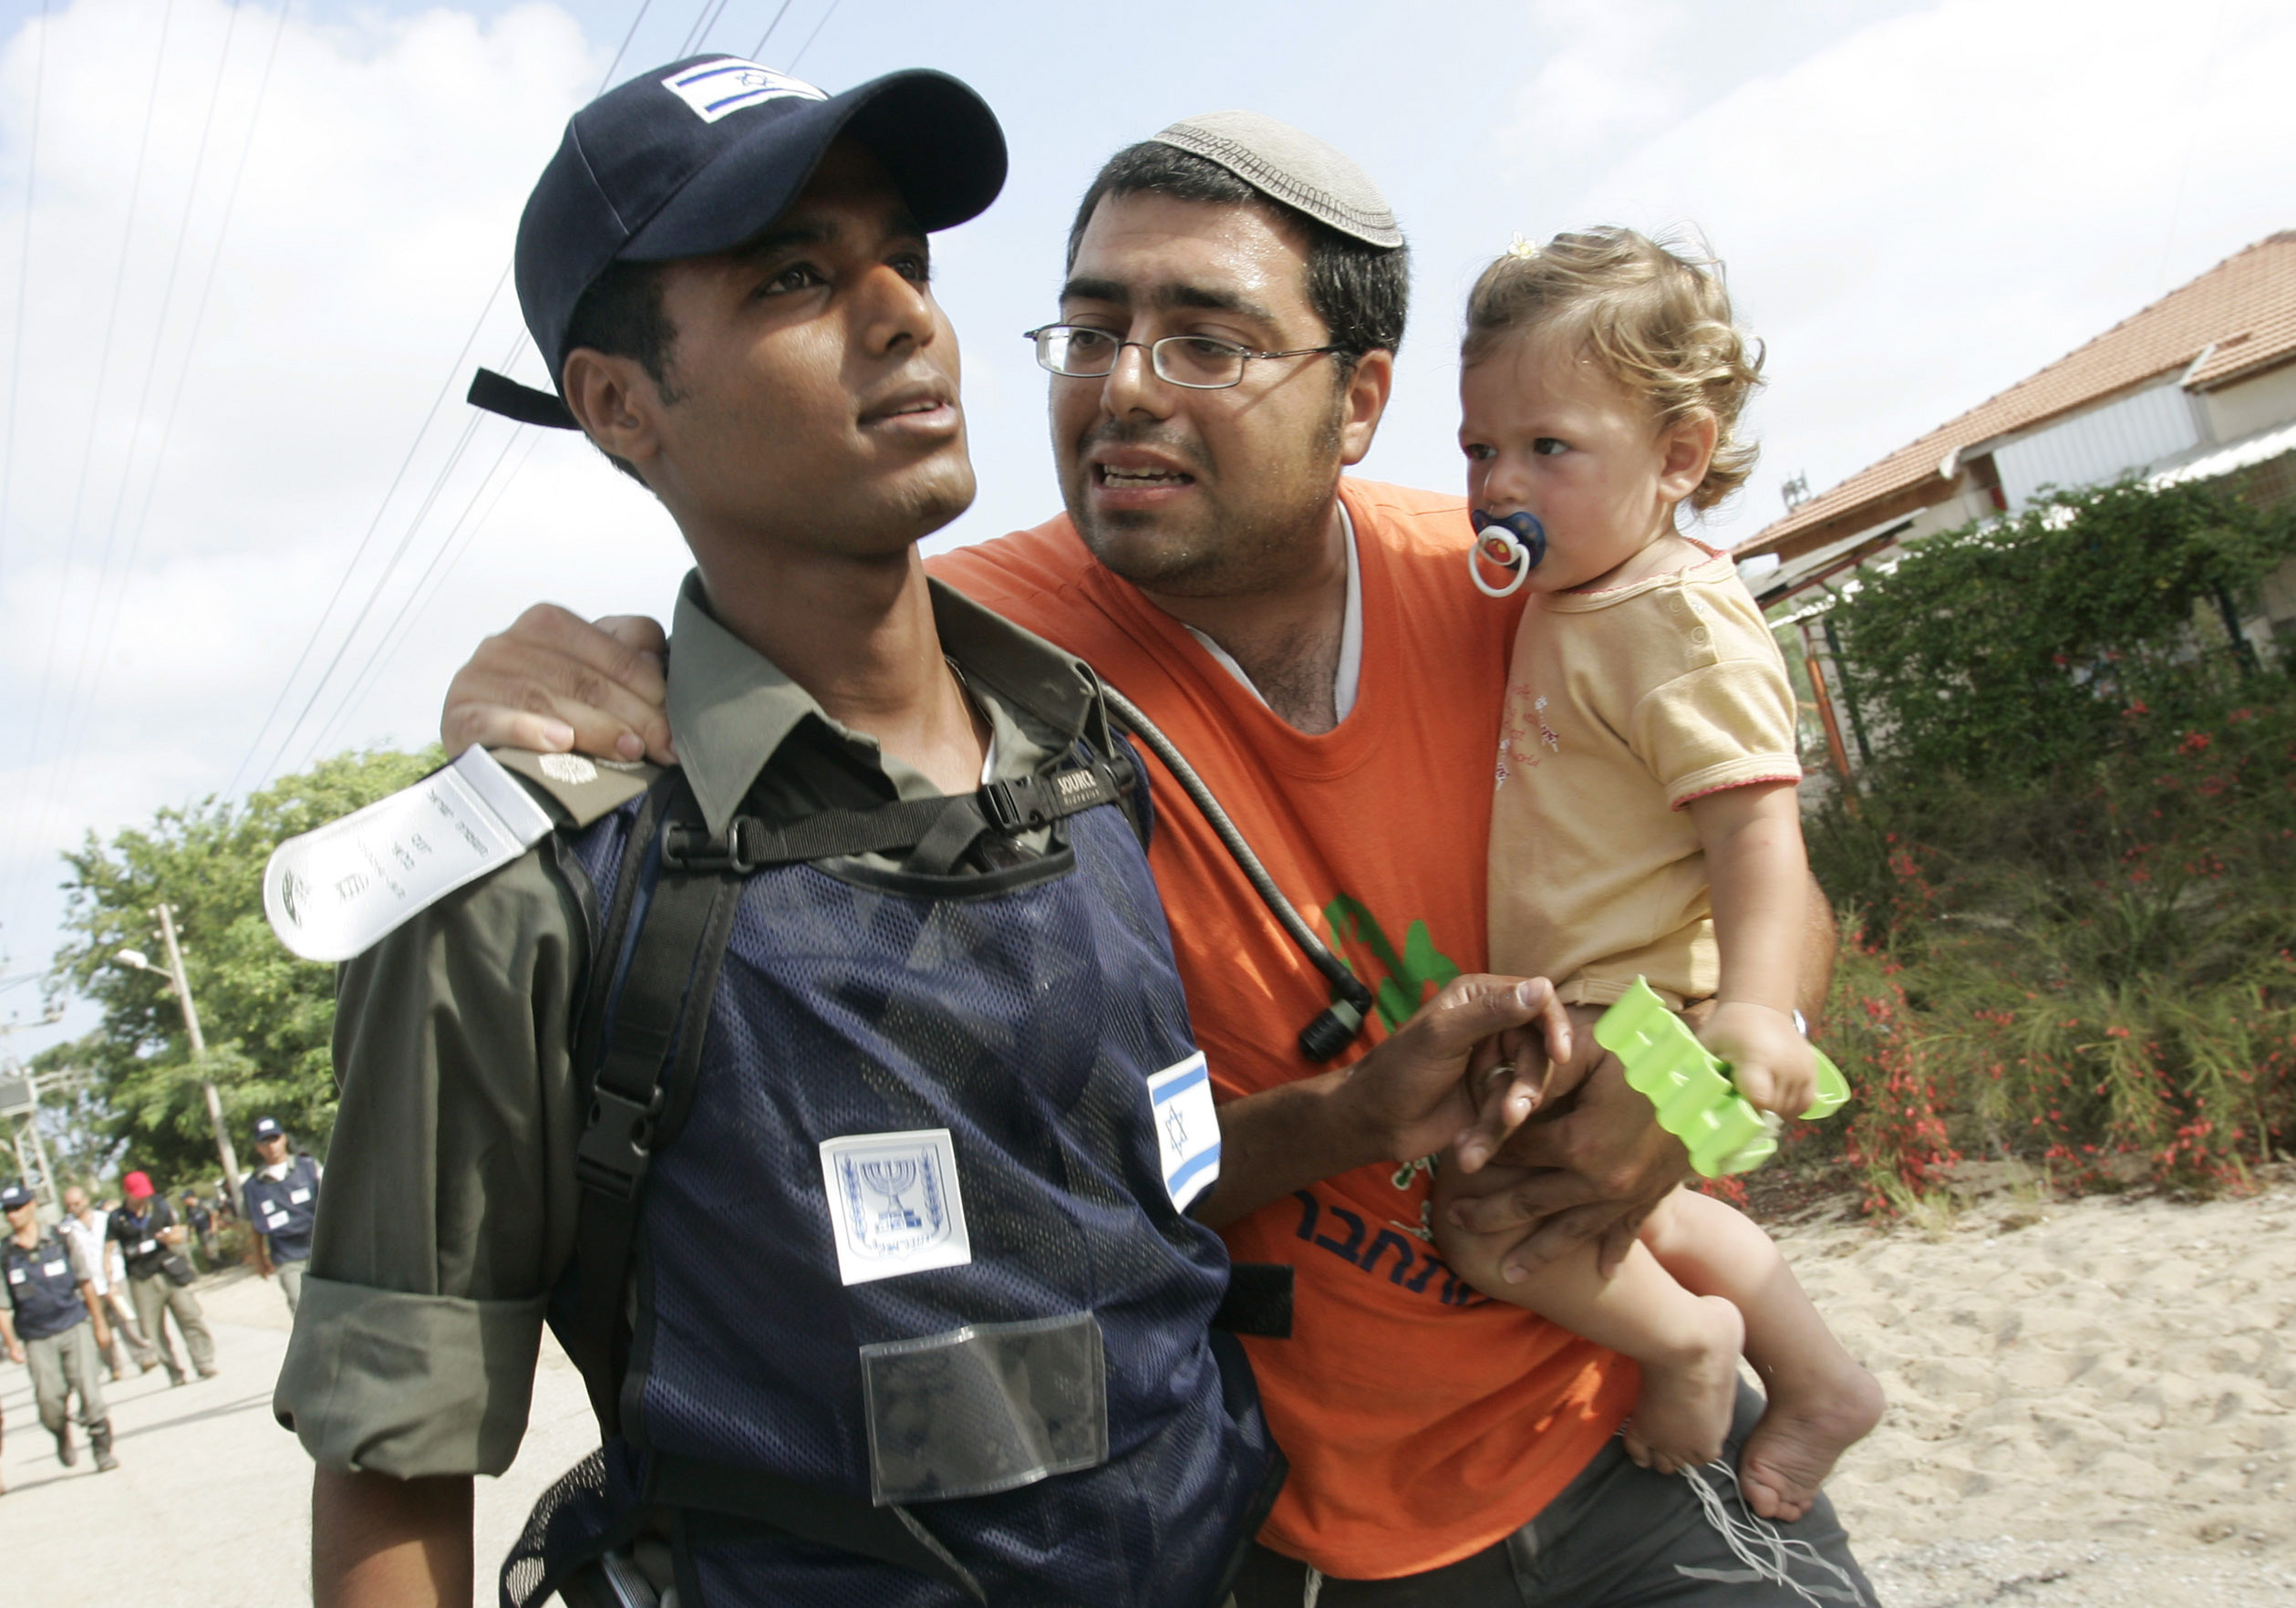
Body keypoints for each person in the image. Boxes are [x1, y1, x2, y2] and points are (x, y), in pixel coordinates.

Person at [444, 111, 1882, 1605]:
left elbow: (1753, 874)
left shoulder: (1524, 581)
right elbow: (707, 677)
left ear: (1358, 400)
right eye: (1085, 331)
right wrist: (532, 678)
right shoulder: (960, 662)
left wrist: (1679, 1103)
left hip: (1637, 1435)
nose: (1121, 388)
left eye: (1204, 340)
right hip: (1294, 1535)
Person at [274, 58, 1551, 1608]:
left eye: (909, 261)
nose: (903, 318)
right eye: (796, 275)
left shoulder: (1084, 745)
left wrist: (1348, 1115)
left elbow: (1129, 1184)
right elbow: (392, 1463)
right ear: (618, 404)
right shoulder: (532, 877)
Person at [1426, 227, 1884, 1520]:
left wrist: (1751, 1007)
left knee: (1484, 1213)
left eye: (1545, 447)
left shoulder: (1675, 611)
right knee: (1643, 1216)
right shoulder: (1576, 586)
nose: (1495, 482)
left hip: (1646, 1001)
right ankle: (1821, 1372)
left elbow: (1756, 826)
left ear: (1677, 454)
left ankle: (1688, 1345)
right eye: (1476, 449)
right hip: (1590, 992)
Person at [2, 1180, 120, 1472]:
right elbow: (2, 1305)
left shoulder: (60, 1239)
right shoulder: (6, 1254)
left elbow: (85, 1282)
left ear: (31, 1206)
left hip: (73, 1324)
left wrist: (100, 1324)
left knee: (89, 1390)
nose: (12, 1215)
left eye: (17, 1207)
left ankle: (101, 1449)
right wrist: (12, 1343)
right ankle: (60, 1433)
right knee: (49, 1403)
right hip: (36, 1335)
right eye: (7, 1210)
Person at [108, 1170, 217, 1385]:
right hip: (141, 1278)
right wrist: (109, 1282)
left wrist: (170, 1237)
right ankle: (174, 1371)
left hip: (169, 1269)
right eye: (137, 1194)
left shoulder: (159, 1206)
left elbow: (180, 1232)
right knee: (153, 1330)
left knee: (190, 1316)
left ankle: (204, 1362)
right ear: (126, 1192)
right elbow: (108, 1250)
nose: (142, 1197)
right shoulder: (117, 1218)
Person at [60, 1184, 160, 1379]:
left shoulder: (106, 1219)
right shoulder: (66, 1230)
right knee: (100, 1325)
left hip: (114, 1277)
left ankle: (143, 1356)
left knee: (127, 1319)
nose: (73, 1208)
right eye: (69, 1205)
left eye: (77, 1203)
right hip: (89, 1284)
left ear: (86, 1200)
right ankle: (113, 1365)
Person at [242, 1115, 320, 1311]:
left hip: (321, 1246)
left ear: (284, 1138)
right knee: (300, 1304)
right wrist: (259, 1258)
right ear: (258, 1147)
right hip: (287, 1255)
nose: (271, 1146)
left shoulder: (309, 1167)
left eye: (274, 1138)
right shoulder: (254, 1186)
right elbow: (256, 1225)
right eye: (264, 1141)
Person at [182, 1189, 220, 1268]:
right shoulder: (189, 1209)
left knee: (212, 1250)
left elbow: (213, 1213)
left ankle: (221, 1266)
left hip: (208, 1228)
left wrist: (213, 1226)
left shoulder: (203, 1203)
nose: (184, 1201)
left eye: (185, 1199)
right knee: (206, 1251)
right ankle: (215, 1267)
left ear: (190, 1197)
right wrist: (189, 1234)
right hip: (200, 1232)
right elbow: (190, 1222)